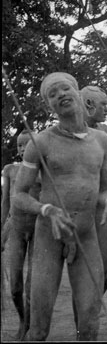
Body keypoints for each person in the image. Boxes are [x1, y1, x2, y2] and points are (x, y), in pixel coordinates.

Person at [12, 72, 107, 341]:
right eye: (52, 94)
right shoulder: (41, 142)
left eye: (64, 89)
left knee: (89, 323)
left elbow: (102, 187)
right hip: (50, 235)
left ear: (78, 93)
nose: (60, 95)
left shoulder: (102, 140)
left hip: (86, 235)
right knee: (39, 326)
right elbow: (19, 195)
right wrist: (46, 209)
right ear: (49, 105)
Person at [1, 130, 40, 340]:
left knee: (31, 285)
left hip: (37, 230)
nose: (23, 148)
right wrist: (2, 232)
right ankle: (23, 318)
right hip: (15, 228)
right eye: (19, 145)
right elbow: (5, 202)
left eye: (27, 144)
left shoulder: (42, 170)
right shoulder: (10, 170)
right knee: (15, 286)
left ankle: (29, 325)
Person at [80, 85, 107, 293]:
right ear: (88, 104)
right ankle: (83, 323)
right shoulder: (71, 128)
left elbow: (106, 167)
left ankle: (89, 313)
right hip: (79, 206)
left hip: (101, 204)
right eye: (103, 104)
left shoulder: (105, 132)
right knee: (84, 272)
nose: (106, 109)